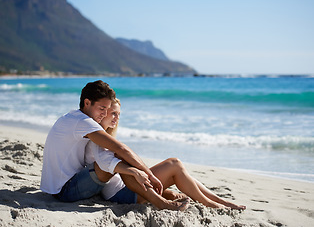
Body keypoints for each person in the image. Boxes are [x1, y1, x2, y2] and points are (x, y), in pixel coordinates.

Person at [40, 80, 187, 211]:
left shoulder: (72, 117)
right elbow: (120, 148)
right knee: (117, 156)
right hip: (65, 191)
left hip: (55, 187)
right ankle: (160, 202)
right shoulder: (84, 122)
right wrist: (148, 174)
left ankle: (164, 194)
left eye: (107, 109)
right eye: (102, 108)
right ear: (86, 103)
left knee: (115, 160)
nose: (105, 114)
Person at [85, 98, 246, 210]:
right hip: (122, 194)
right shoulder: (97, 137)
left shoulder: (106, 136)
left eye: (118, 115)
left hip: (128, 189)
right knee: (174, 164)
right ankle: (211, 203)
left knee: (180, 172)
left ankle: (218, 200)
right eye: (113, 113)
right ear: (103, 112)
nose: (116, 118)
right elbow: (107, 164)